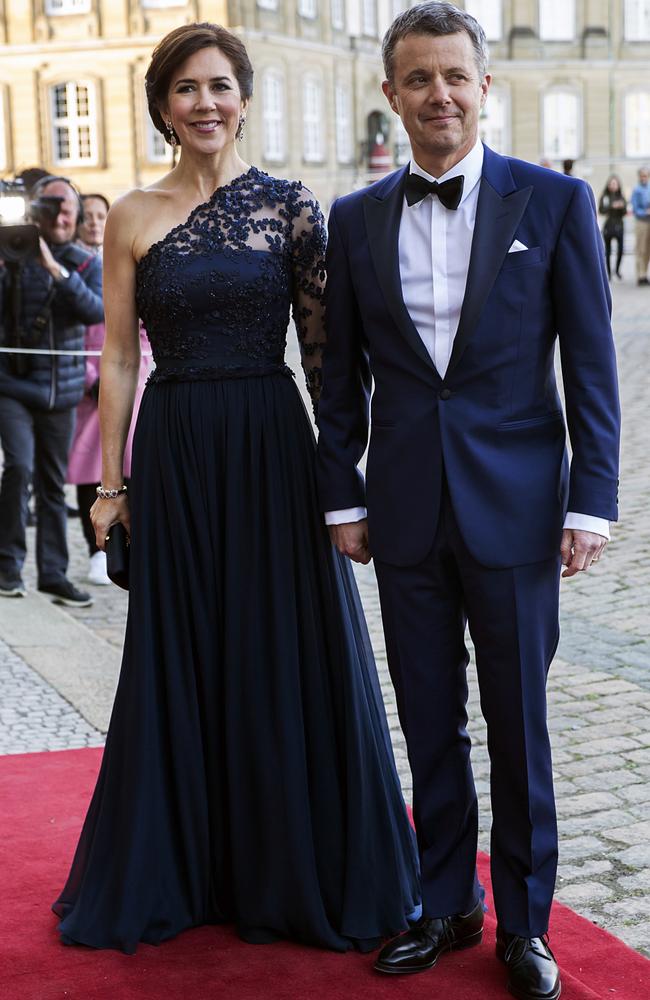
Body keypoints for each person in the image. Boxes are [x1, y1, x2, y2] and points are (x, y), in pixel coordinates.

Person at [52, 22, 419, 954]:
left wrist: (346, 486)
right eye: (185, 89)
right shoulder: (132, 212)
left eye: (220, 85)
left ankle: (289, 864)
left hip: (270, 445)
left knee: (284, 646)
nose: (205, 102)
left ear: (244, 98)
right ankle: (190, 863)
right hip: (175, 445)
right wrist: (109, 485)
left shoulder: (294, 208)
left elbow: (331, 360)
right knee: (182, 648)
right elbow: (122, 361)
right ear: (164, 107)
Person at [316, 5, 620, 1000]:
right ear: (390, 91)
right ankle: (445, 901)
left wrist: (589, 503)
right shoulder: (354, 218)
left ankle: (524, 925)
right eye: (417, 78)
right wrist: (339, 494)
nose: (437, 94)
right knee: (428, 717)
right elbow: (338, 376)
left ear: (482, 86)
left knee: (517, 722)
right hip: (401, 511)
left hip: (518, 508)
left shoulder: (553, 202)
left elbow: (590, 365)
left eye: (454, 75)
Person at [0, 176, 104, 606]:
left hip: (62, 392)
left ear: (76, 216)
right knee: (19, 468)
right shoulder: (10, 256)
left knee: (52, 485)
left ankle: (53, 575)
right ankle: (8, 568)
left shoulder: (84, 262)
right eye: (51, 208)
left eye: (68, 209)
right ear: (36, 213)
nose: (61, 216)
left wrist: (53, 269)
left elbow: (95, 310)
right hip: (13, 386)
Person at [67, 193, 151, 586]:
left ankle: (131, 538)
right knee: (93, 468)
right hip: (92, 382)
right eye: (90, 216)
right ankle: (98, 547)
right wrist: (88, 375)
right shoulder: (74, 265)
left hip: (131, 381)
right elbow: (73, 330)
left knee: (132, 460)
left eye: (102, 215)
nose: (95, 222)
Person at [598, 176, 627, 281]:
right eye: (611, 184)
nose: (613, 186)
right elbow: (601, 210)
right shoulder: (605, 197)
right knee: (608, 250)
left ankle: (617, 270)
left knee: (620, 249)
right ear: (608, 185)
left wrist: (622, 206)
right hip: (608, 226)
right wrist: (612, 206)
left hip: (619, 225)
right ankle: (609, 273)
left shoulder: (621, 196)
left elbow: (624, 212)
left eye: (615, 184)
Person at [631, 166, 650, 285]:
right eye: (642, 175)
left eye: (646, 175)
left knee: (648, 249)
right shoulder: (636, 190)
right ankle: (640, 275)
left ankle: (645, 274)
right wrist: (645, 212)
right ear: (639, 176)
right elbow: (635, 208)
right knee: (640, 249)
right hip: (641, 222)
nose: (644, 177)